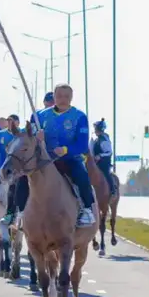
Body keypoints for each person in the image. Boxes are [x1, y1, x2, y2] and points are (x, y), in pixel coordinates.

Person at [36, 83, 96, 227]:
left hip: (70, 158)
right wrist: (37, 136)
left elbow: (82, 145)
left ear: (71, 97)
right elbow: (29, 137)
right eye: (59, 96)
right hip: (46, 158)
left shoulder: (79, 116)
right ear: (54, 97)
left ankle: (87, 210)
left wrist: (65, 150)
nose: (63, 99)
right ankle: (16, 211)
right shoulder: (40, 116)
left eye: (66, 96)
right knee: (25, 176)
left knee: (82, 176)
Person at [92, 118, 117, 196]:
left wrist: (100, 156)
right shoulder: (96, 140)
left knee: (105, 172)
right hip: (95, 161)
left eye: (96, 129)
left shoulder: (104, 140)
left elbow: (109, 152)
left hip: (104, 162)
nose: (95, 130)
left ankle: (112, 190)